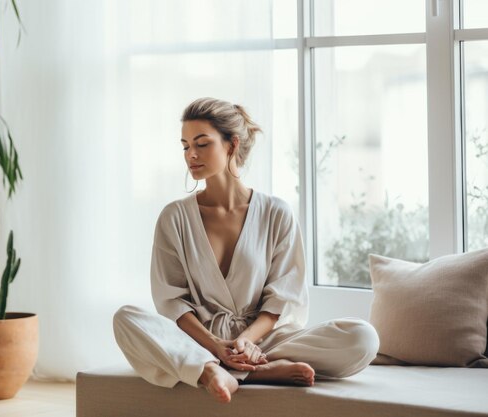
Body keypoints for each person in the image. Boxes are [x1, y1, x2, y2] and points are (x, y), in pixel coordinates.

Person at [113, 97, 379, 404]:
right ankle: (228, 369)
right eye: (185, 146)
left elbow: (282, 298)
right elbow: (172, 301)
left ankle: (222, 369)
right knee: (126, 319)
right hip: (200, 339)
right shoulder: (174, 217)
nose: (191, 155)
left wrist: (244, 342)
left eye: (202, 144)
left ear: (231, 145)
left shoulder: (276, 213)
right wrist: (216, 345)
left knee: (362, 337)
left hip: (265, 340)